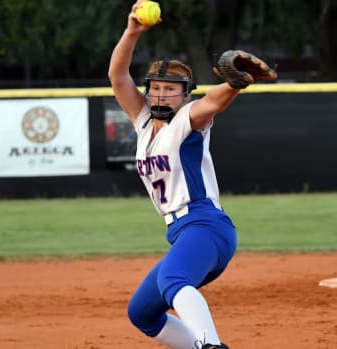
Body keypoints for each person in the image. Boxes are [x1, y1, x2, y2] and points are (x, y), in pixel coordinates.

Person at [107, 1, 274, 348]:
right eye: (157, 87)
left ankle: (210, 345)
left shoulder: (187, 120)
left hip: (205, 227)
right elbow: (117, 76)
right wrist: (132, 32)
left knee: (173, 277)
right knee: (143, 312)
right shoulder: (142, 124)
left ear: (185, 95)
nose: (162, 94)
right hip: (181, 233)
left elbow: (212, 102)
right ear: (149, 89)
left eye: (172, 89)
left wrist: (234, 84)